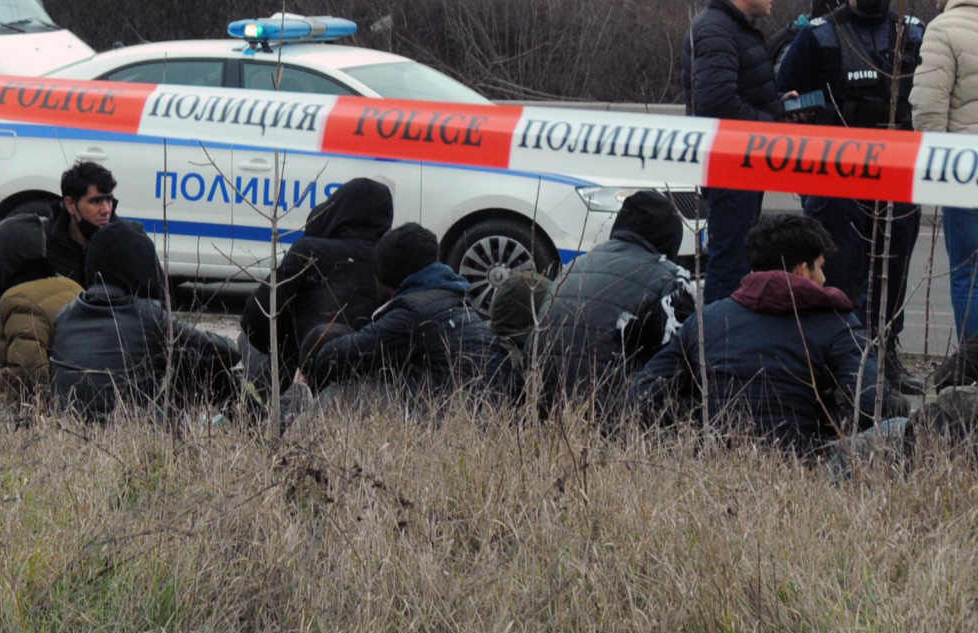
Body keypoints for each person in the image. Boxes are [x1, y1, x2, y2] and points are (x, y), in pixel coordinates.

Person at [633, 212, 883, 456]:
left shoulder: (707, 320)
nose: (824, 278)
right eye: (820, 267)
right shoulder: (836, 321)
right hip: (806, 460)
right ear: (802, 271)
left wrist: (698, 422)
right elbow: (871, 399)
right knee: (899, 424)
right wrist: (827, 435)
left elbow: (644, 393)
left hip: (715, 458)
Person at [777, 0, 925, 353]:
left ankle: (886, 355)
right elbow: (785, 95)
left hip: (896, 174)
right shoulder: (819, 36)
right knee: (839, 271)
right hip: (836, 179)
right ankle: (837, 354)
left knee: (893, 271)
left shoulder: (911, 33)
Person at [301, 223, 515, 403]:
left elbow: (337, 357)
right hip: (494, 412)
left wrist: (302, 378)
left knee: (346, 393)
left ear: (386, 276)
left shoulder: (413, 313)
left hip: (463, 419)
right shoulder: (454, 300)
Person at [680, 0, 787, 303]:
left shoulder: (735, 29)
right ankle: (719, 350)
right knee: (729, 267)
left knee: (739, 263)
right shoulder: (715, 29)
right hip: (729, 167)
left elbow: (738, 92)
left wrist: (780, 104)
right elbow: (717, 103)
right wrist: (769, 125)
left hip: (742, 164)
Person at [49, 223, 240, 420]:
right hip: (131, 431)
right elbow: (227, 352)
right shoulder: (147, 315)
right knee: (205, 363)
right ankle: (264, 430)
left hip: (68, 426)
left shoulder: (65, 314)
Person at [533, 191, 696, 416]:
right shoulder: (670, 281)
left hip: (541, 409)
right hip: (611, 418)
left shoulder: (574, 267)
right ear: (671, 236)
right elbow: (685, 367)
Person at [237, 179, 393, 399]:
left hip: (300, 380)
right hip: (368, 388)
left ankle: (283, 403)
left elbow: (255, 317)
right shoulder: (392, 260)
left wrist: (287, 356)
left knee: (244, 340)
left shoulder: (309, 250)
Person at [913, 0, 978, 338]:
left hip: (964, 167)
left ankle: (972, 372)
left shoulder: (943, 28)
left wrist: (935, 168)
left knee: (968, 271)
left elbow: (928, 109)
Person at [0, 212, 82, 402]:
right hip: (77, 396)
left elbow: (27, 383)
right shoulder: (71, 285)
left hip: (51, 408)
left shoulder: (19, 301)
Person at [46, 159, 118, 283]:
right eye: (96, 201)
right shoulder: (44, 243)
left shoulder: (125, 242)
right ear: (70, 205)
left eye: (109, 200)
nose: (106, 209)